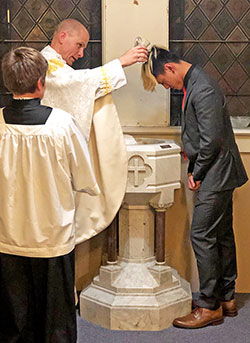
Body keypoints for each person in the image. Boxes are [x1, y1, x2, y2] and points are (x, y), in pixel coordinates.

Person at [141, 46, 248, 329]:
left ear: (171, 69)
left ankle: (209, 305)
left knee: (201, 234)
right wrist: (195, 167)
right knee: (221, 232)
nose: (167, 88)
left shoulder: (203, 89)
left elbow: (210, 141)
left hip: (217, 173)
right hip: (217, 171)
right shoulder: (196, 82)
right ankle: (226, 298)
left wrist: (197, 172)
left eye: (164, 82)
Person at [0, 47, 100, 342]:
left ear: (8, 83)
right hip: (52, 236)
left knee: (13, 321)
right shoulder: (62, 124)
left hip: (8, 235)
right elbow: (84, 177)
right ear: (41, 83)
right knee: (56, 322)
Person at [40, 18, 149, 245]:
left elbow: (80, 86)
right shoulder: (45, 64)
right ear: (62, 37)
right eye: (79, 45)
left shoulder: (57, 65)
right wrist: (121, 62)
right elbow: (77, 84)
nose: (81, 54)